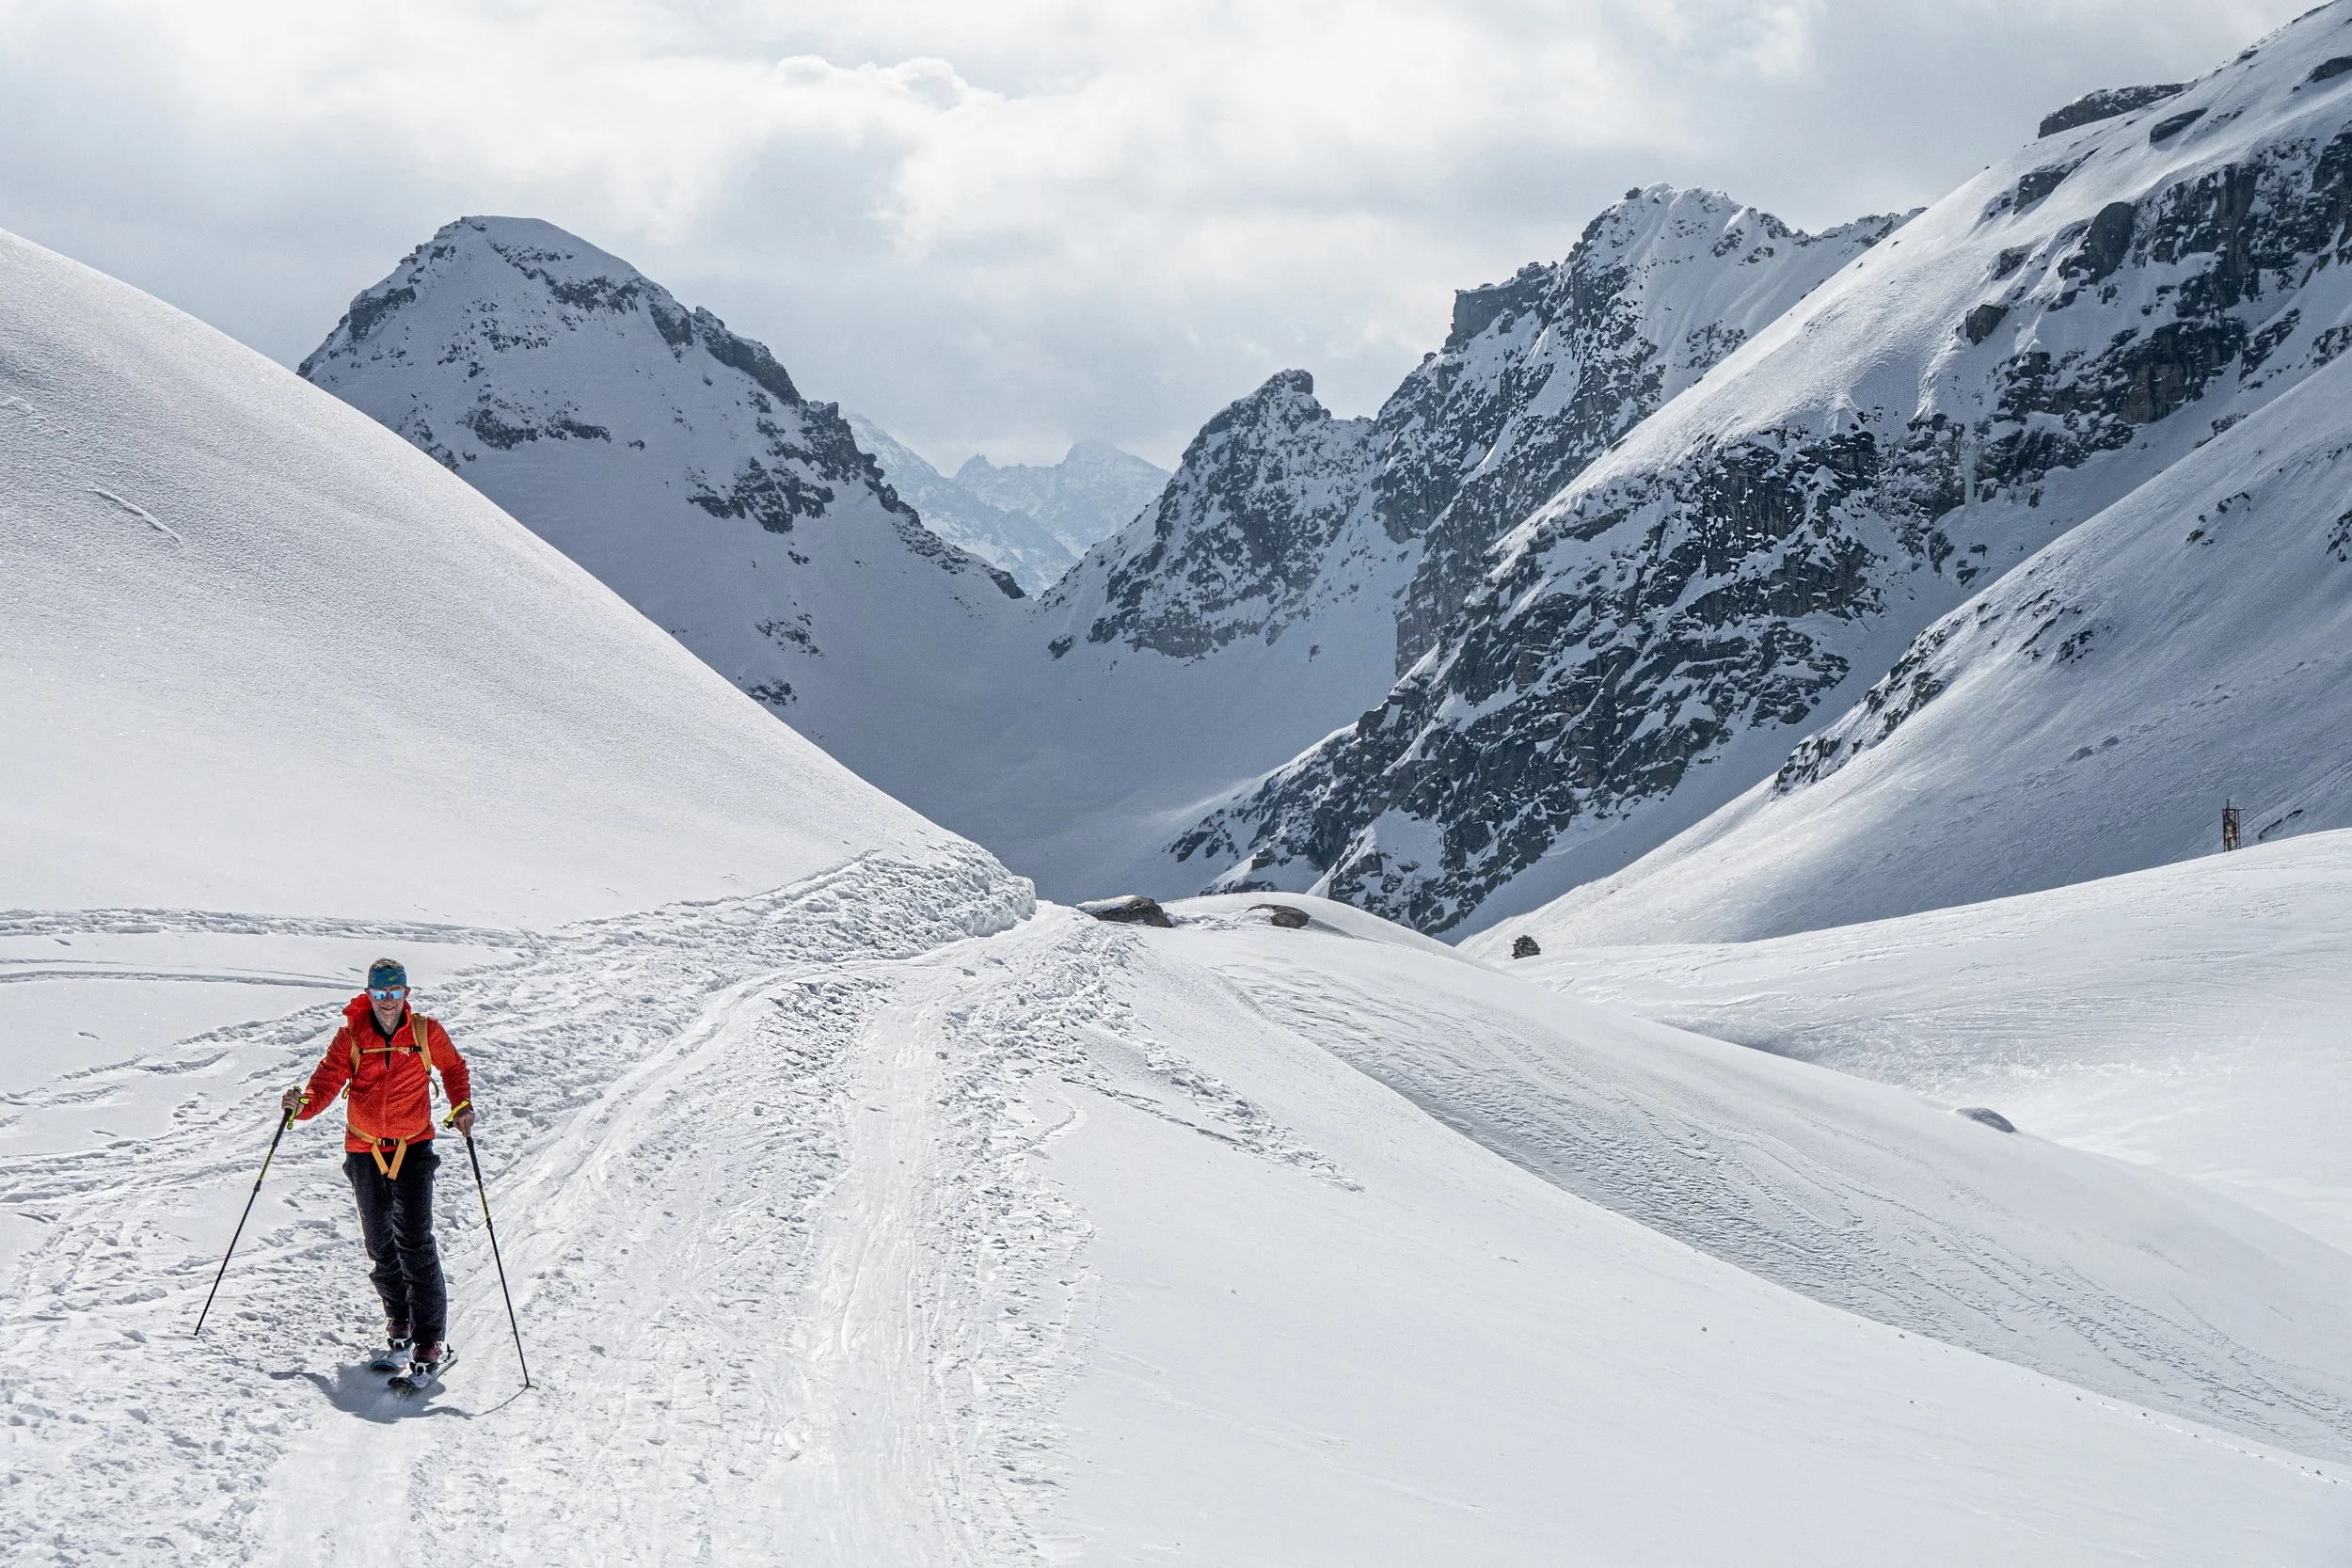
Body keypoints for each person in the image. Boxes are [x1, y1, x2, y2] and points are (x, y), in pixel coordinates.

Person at [281, 958, 474, 1381]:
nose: (387, 1002)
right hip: (364, 1149)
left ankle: (429, 1339)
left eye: (394, 993)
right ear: (368, 995)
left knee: (415, 1241)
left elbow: (454, 1067)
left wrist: (461, 1104)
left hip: (414, 1147)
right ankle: (399, 1321)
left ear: (406, 993)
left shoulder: (425, 1031)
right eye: (379, 994)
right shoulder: (351, 1035)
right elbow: (326, 1083)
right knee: (381, 1243)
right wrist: (302, 1106)